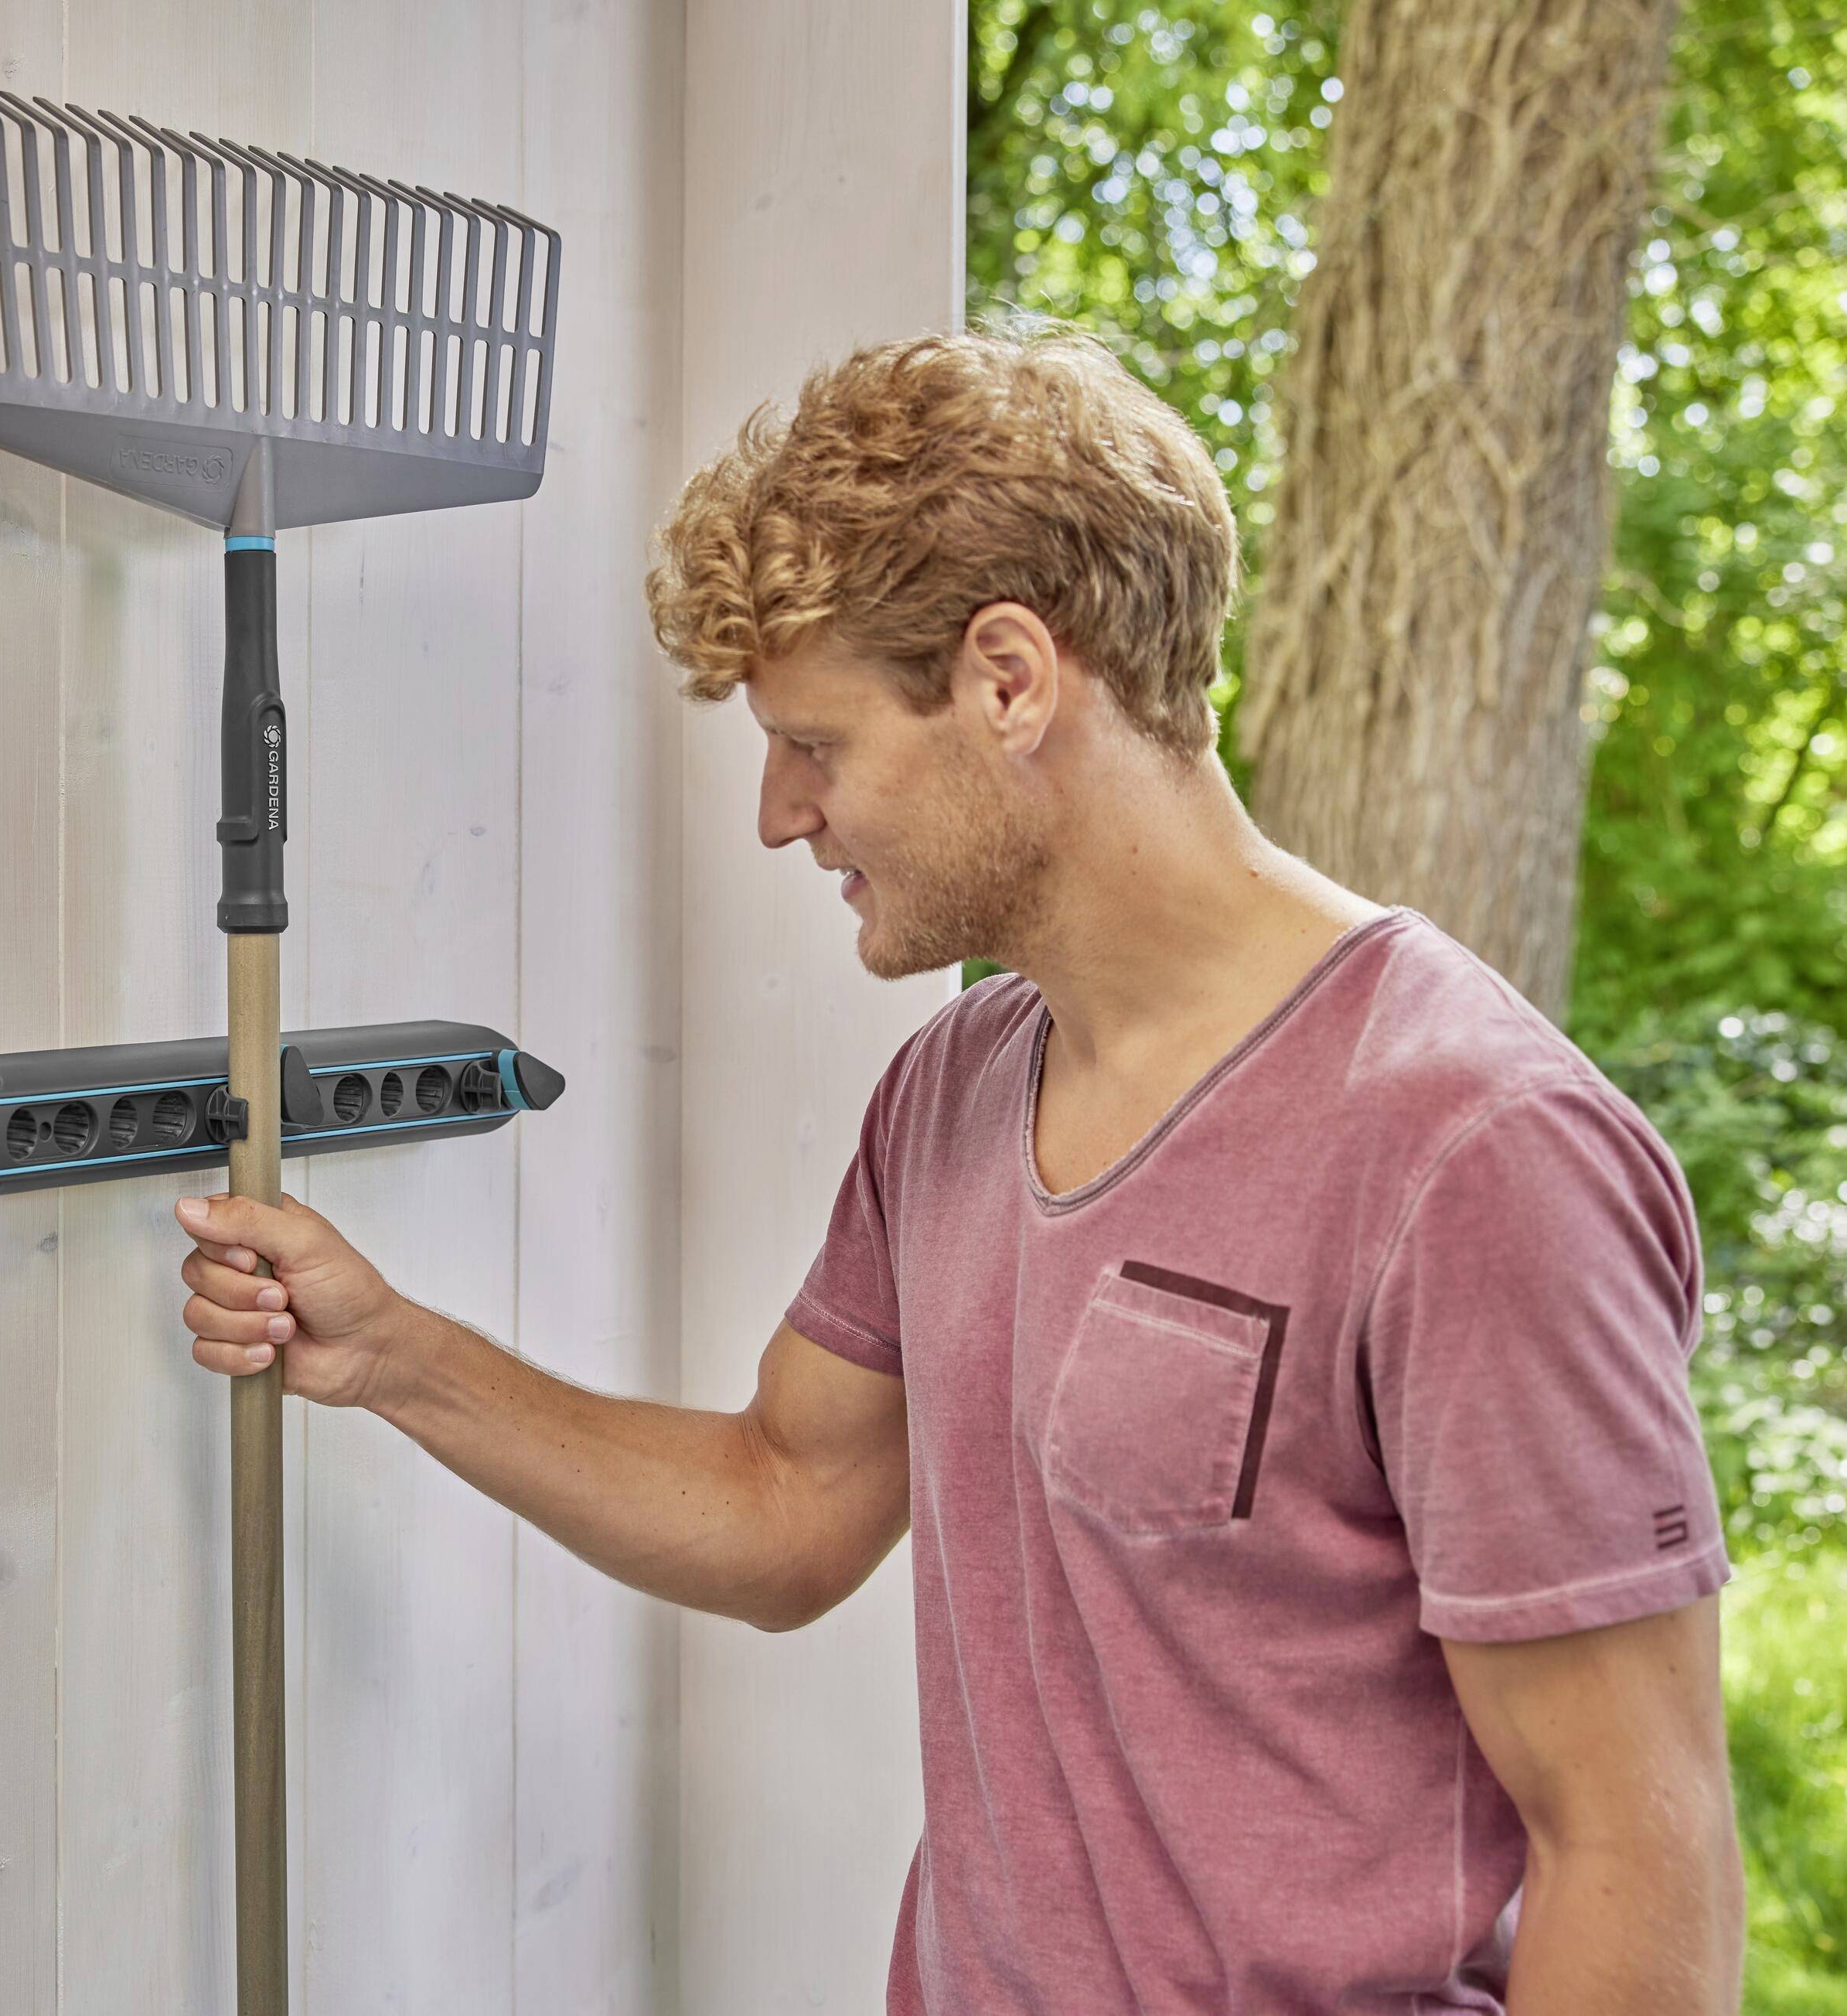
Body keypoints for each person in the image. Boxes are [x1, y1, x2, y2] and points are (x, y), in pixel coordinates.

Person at [171, 322, 1746, 2013]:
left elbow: (1632, 1850)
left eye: (819, 743)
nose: (781, 813)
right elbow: (786, 1504)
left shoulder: (1469, 1150)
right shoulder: (958, 1084)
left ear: (1008, 680)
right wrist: (396, 1353)